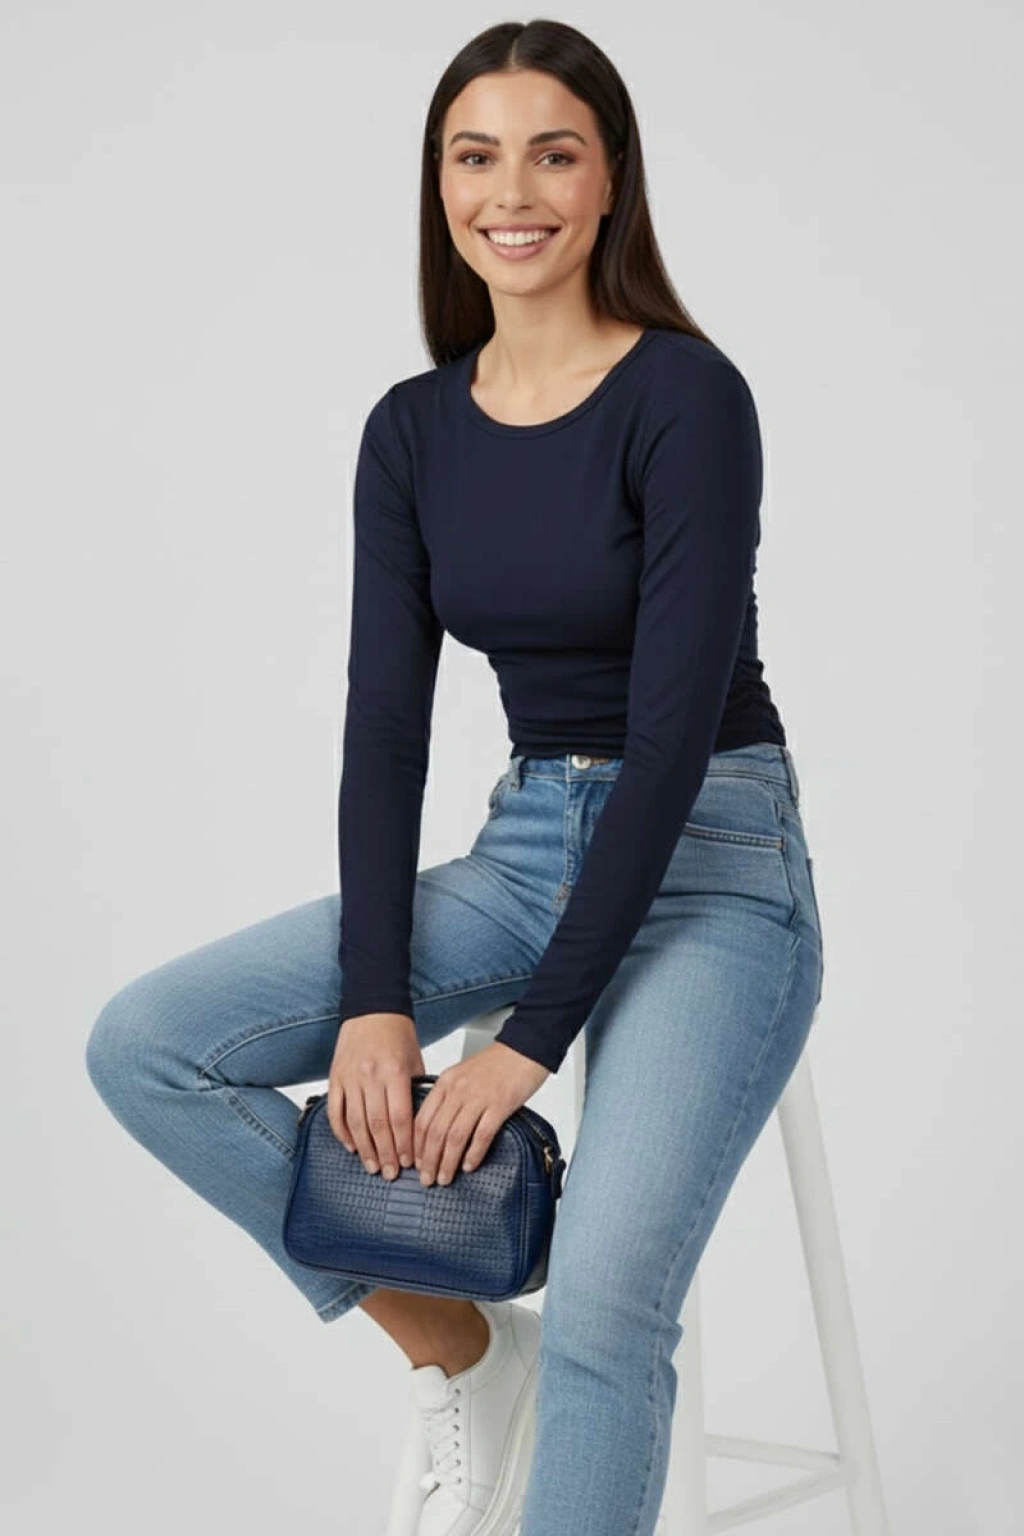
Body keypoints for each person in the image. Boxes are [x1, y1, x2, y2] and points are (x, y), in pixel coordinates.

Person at [85, 17, 825, 1536]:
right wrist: (375, 998)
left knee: (610, 1308)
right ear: (440, 185)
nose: (513, 193)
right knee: (149, 1047)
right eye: (476, 157)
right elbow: (387, 730)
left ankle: (550, 1372)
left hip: (713, 862)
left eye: (554, 154)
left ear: (610, 179)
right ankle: (471, 1352)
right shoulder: (414, 430)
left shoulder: (688, 398)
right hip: (530, 844)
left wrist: (524, 1049)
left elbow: (671, 741)